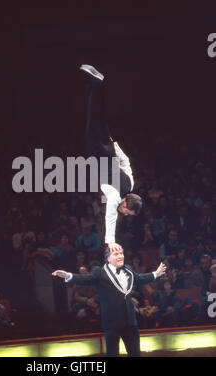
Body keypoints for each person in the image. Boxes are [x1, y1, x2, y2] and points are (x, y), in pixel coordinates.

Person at [52, 243, 166, 357]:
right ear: (108, 258)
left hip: (130, 322)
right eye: (116, 254)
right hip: (112, 323)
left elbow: (140, 278)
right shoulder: (99, 272)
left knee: (135, 354)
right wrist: (68, 276)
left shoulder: (128, 269)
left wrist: (156, 274)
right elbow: (84, 279)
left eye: (121, 253)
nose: (120, 256)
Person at [80, 64, 142, 255]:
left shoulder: (130, 184)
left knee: (100, 118)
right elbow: (110, 217)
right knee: (92, 119)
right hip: (99, 154)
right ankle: (96, 83)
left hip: (109, 149)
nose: (126, 215)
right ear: (126, 205)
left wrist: (114, 145)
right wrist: (110, 241)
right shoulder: (116, 198)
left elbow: (126, 162)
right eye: (128, 212)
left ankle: (94, 86)